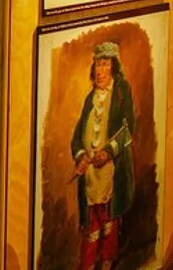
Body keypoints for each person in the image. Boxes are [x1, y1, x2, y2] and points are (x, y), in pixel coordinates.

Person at [70, 42, 136, 270]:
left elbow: (129, 129)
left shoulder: (121, 92)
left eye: (105, 64)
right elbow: (77, 137)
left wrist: (108, 152)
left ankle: (106, 264)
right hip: (89, 177)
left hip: (111, 172)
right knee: (91, 224)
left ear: (113, 67)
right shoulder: (90, 99)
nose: (100, 70)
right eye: (97, 64)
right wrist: (80, 156)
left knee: (108, 220)